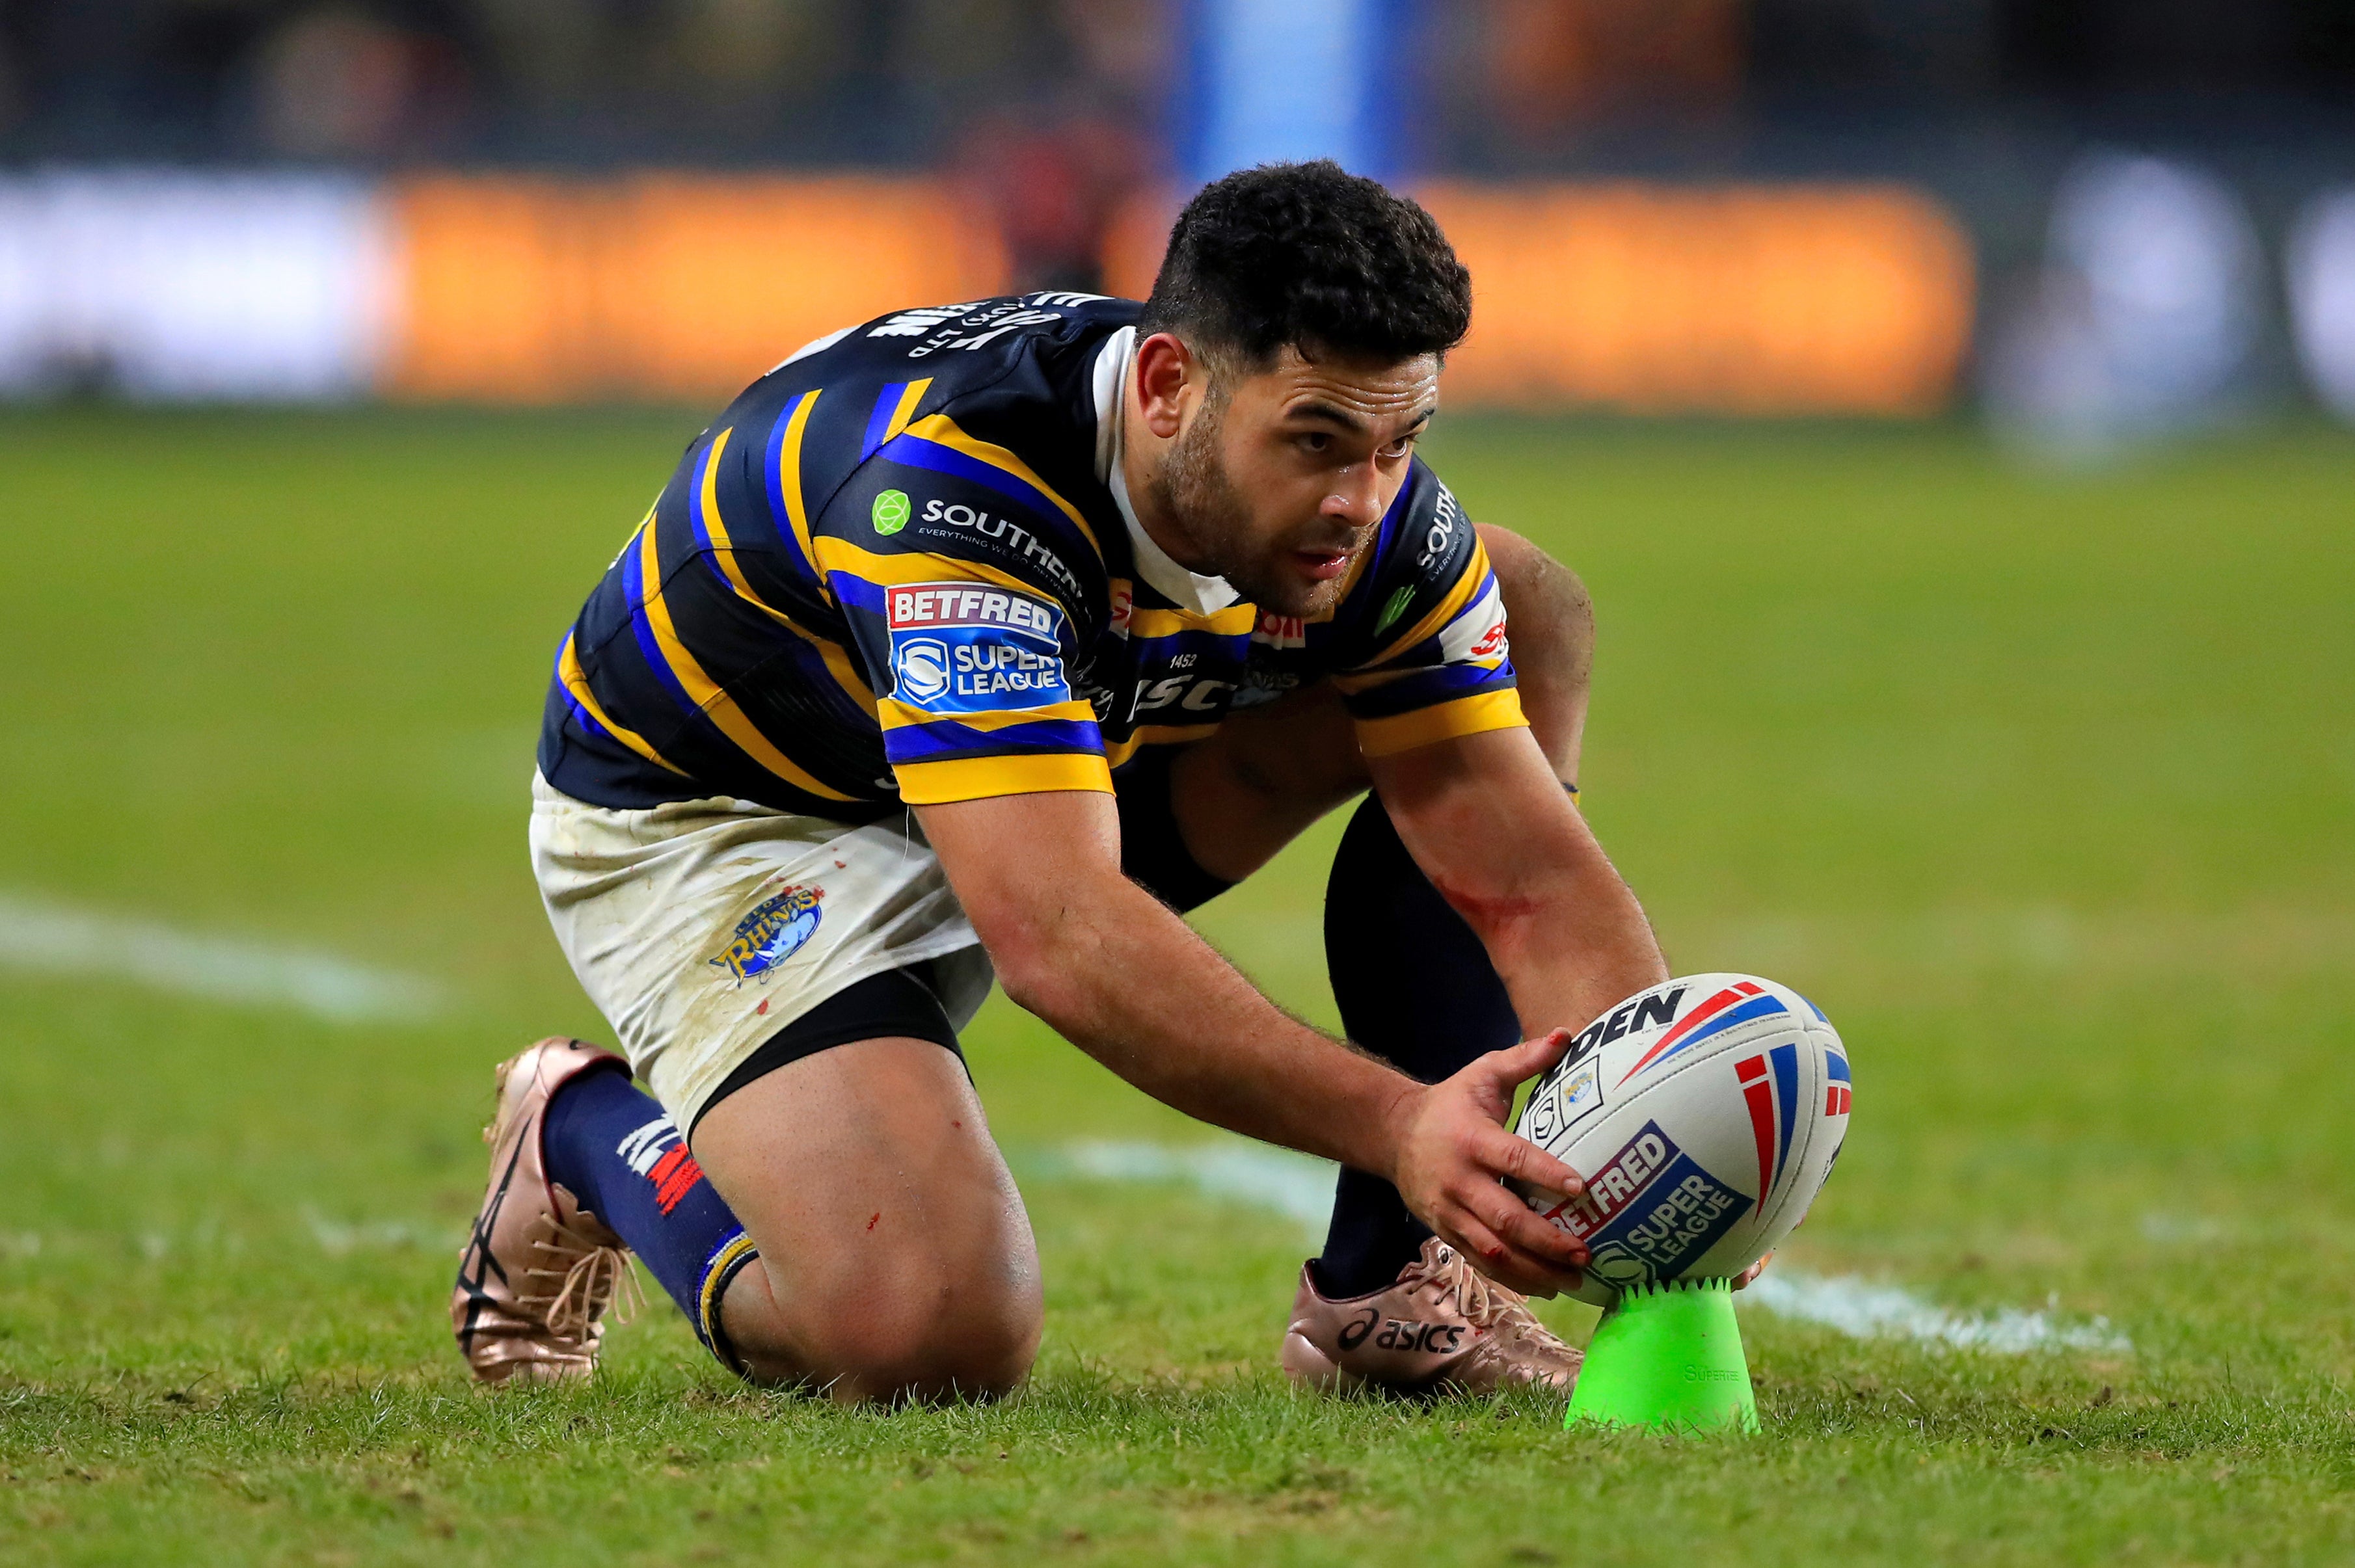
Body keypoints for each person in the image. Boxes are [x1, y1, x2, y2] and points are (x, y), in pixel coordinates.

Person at [452, 161, 1672, 1403]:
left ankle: (1390, 1287)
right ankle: (583, 1133)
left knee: (1519, 607)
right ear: (1165, 387)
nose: (1361, 499)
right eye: (1315, 442)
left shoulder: (1362, 511)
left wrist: (1662, 1126)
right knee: (930, 1332)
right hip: (734, 813)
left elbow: (1520, 868)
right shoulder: (953, 496)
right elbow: (1063, 937)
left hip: (1052, 752)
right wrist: (1407, 1125)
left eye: (1399, 442)